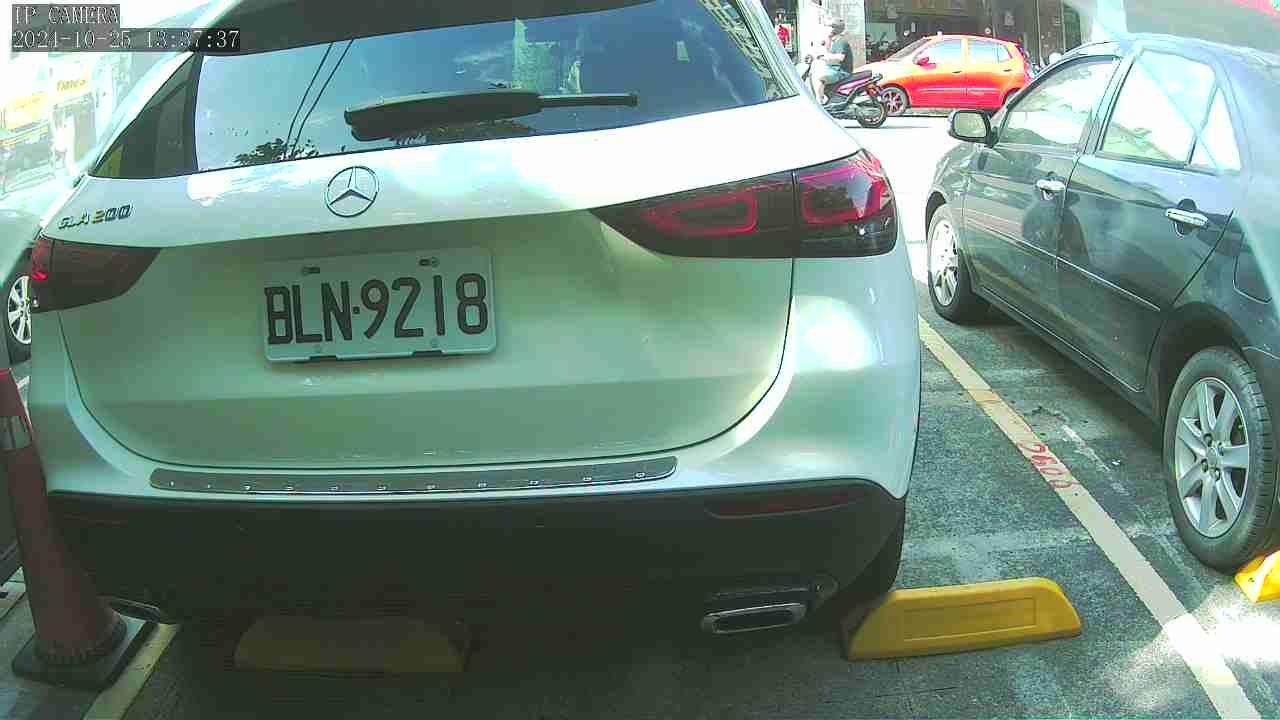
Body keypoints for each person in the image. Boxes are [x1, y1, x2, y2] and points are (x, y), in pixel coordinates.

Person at [812, 20, 853, 104]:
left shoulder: (841, 41)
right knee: (815, 74)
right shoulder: (833, 41)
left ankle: (819, 103)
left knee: (820, 78)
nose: (827, 29)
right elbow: (826, 52)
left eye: (830, 27)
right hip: (833, 69)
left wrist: (823, 57)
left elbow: (840, 57)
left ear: (835, 29)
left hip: (841, 71)